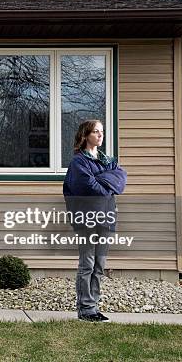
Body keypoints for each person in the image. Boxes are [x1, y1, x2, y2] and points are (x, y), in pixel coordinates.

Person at [63, 120, 127, 322]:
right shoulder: (79, 162)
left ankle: (94, 307)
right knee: (87, 264)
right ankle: (85, 309)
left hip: (106, 217)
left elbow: (120, 179)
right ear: (85, 135)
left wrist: (104, 182)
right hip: (87, 219)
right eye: (96, 132)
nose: (100, 135)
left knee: (99, 265)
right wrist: (107, 185)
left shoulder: (108, 160)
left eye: (102, 132)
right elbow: (87, 186)